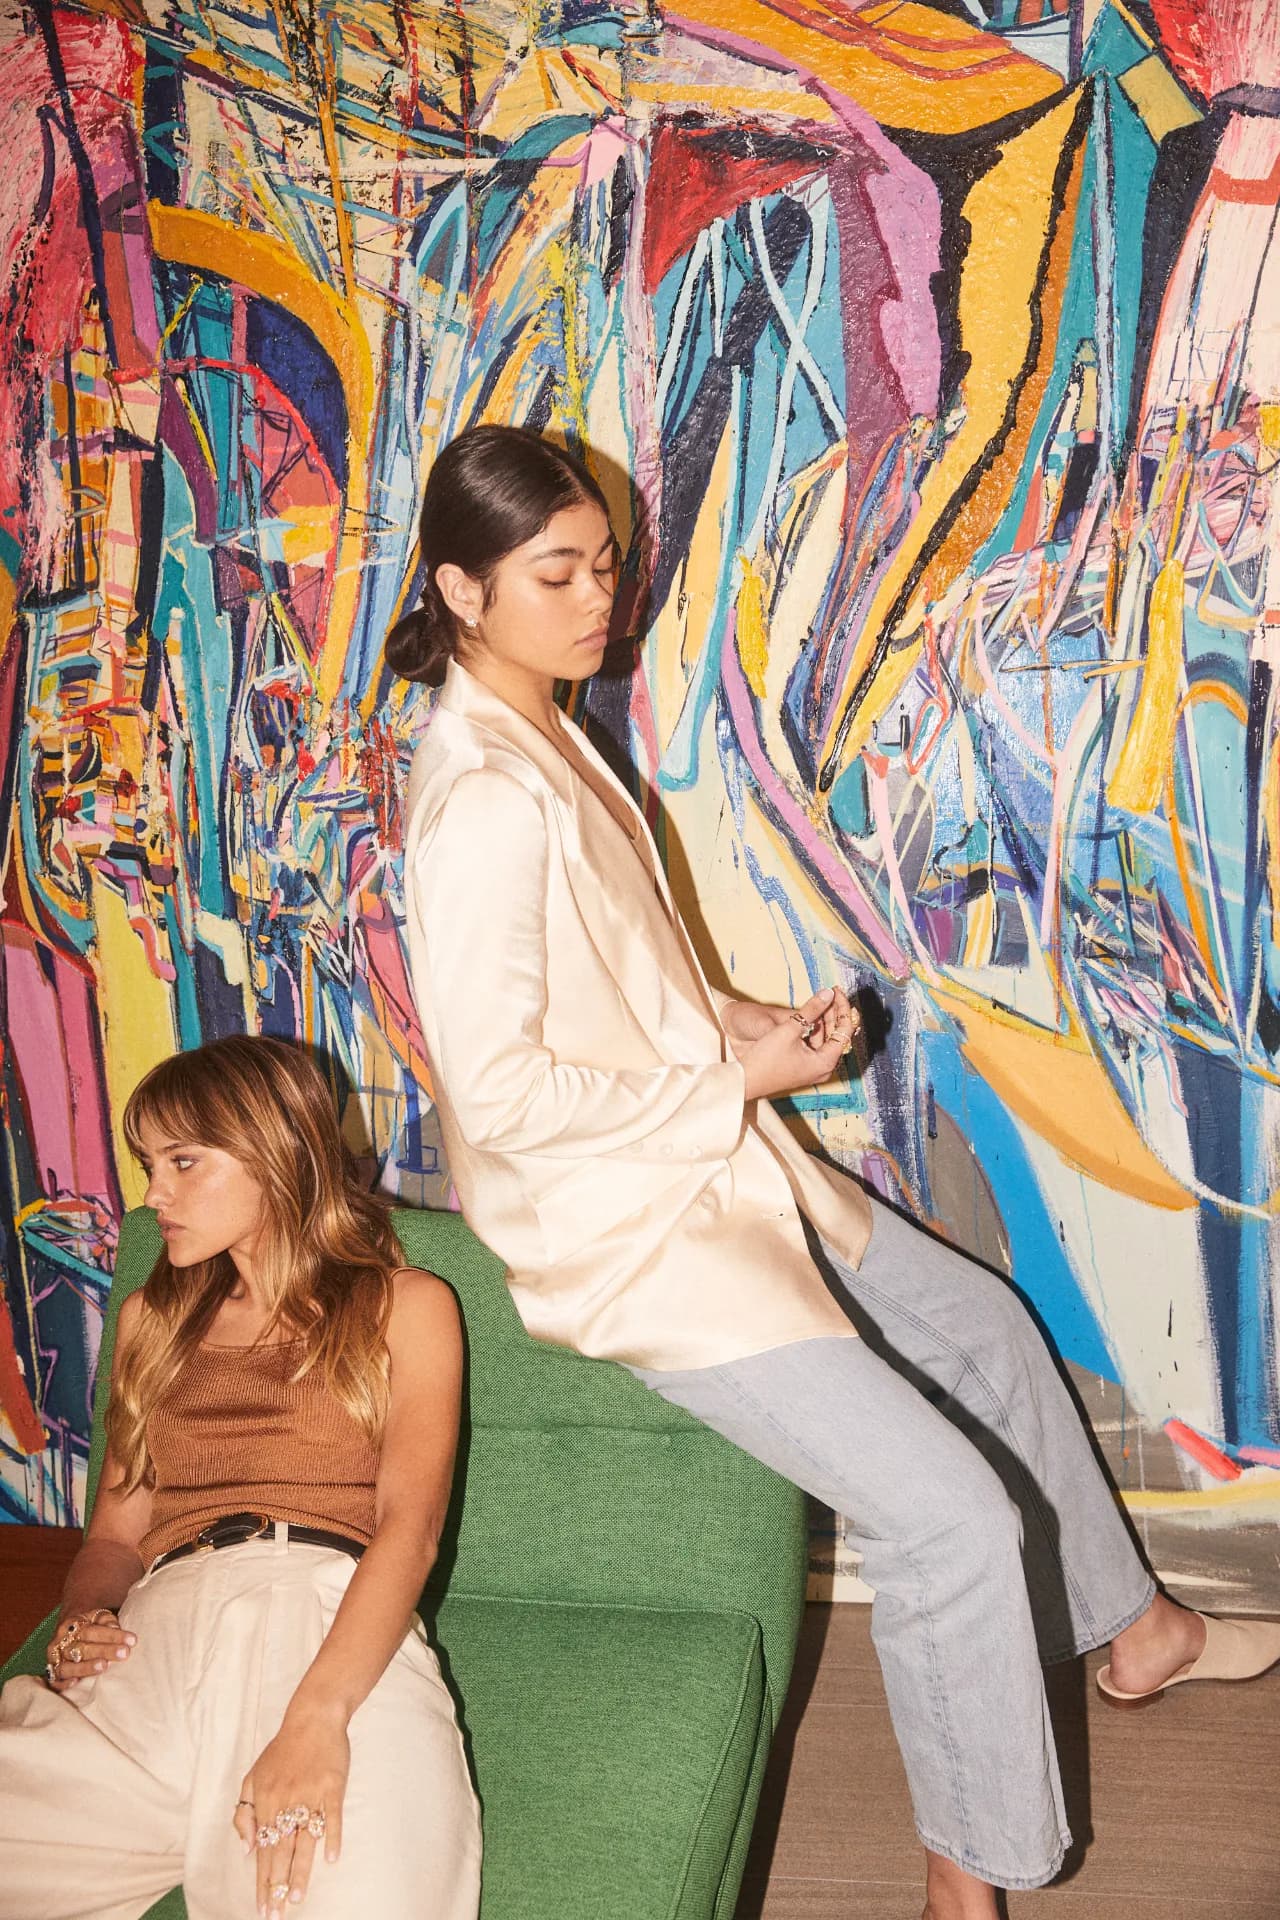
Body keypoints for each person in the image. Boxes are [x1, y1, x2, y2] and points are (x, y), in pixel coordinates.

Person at [390, 424, 1280, 1920]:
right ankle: (964, 1887)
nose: (599, 596)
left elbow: (620, 995)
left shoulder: (545, 725)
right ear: (462, 592)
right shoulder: (479, 795)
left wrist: (751, 1027)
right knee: (944, 1521)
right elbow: (508, 1097)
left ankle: (1136, 1635)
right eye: (555, 574)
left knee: (988, 1333)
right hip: (635, 1235)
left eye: (604, 562)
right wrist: (742, 1075)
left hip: (720, 1163)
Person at [0, 1036, 481, 1920]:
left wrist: (316, 1718)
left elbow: (408, 1530)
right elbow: (112, 1535)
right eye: (150, 1164)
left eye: (184, 1161)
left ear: (281, 1154)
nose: (154, 1195)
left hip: (324, 1616)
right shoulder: (150, 1318)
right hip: (155, 1637)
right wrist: (84, 1616)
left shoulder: (408, 1306)